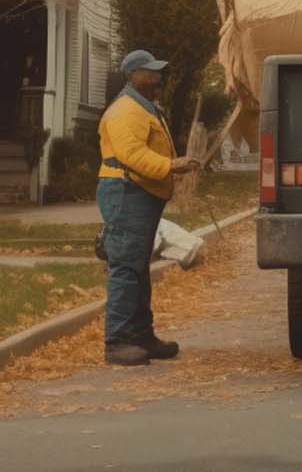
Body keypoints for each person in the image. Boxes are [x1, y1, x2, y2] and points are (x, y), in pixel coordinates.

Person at [97, 49, 199, 366]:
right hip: (127, 193)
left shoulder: (144, 108)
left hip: (139, 193)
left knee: (138, 268)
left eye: (157, 72)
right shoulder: (125, 111)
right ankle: (116, 342)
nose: (157, 77)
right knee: (127, 268)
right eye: (149, 72)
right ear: (132, 76)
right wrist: (171, 165)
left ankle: (142, 337)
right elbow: (132, 154)